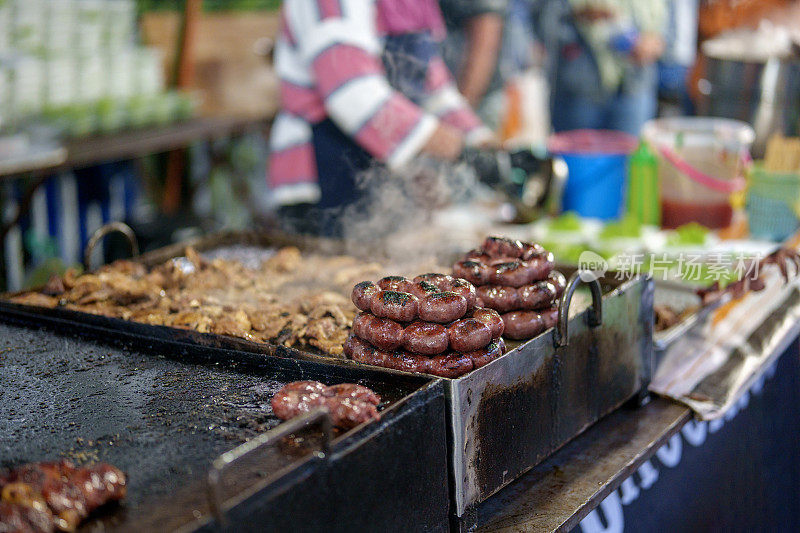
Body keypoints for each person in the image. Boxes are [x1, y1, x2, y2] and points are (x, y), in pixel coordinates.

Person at [267, 0, 495, 236]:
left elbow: (433, 92)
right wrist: (462, 151)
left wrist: (486, 145)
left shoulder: (409, 6)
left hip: (387, 187)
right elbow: (354, 96)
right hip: (323, 177)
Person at [534, 0, 667, 135]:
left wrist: (653, 44)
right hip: (577, 91)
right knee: (576, 153)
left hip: (633, 88)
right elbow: (542, 22)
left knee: (632, 154)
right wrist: (578, 15)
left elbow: (664, 27)